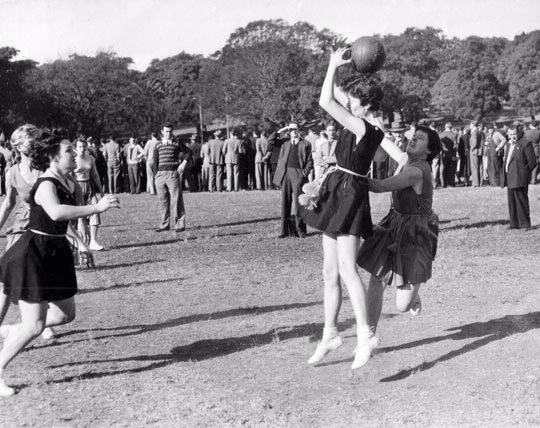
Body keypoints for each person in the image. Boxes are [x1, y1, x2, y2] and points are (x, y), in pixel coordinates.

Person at [299, 45, 403, 369]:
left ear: (365, 104)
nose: (349, 102)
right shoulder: (365, 123)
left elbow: (326, 100)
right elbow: (339, 95)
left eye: (354, 101)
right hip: (339, 191)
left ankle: (365, 334)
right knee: (329, 272)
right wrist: (341, 65)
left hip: (349, 195)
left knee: (347, 269)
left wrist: (331, 65)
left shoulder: (363, 128)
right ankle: (330, 333)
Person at [0, 129, 120, 396]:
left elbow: (62, 223)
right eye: (68, 150)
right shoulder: (46, 184)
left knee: (66, 314)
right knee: (35, 325)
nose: (75, 153)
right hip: (33, 254)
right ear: (54, 157)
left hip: (55, 251)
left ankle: (11, 331)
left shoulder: (67, 181)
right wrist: (97, 208)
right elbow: (56, 212)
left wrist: (79, 241)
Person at [357, 125, 442, 338]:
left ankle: (413, 294)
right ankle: (369, 333)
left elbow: (380, 186)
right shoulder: (406, 159)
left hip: (416, 233)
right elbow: (384, 142)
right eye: (413, 137)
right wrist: (371, 126)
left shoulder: (416, 171)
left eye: (419, 138)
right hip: (394, 223)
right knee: (377, 277)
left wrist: (350, 177)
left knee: (402, 306)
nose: (413, 140)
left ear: (428, 150)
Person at [271, 122, 313, 238]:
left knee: (299, 203)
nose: (294, 131)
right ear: (289, 131)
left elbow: (310, 161)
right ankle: (284, 231)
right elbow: (271, 140)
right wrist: (283, 129)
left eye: (296, 129)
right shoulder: (284, 143)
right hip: (285, 175)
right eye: (291, 129)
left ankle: (301, 231)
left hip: (298, 174)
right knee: (285, 202)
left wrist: (304, 173)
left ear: (299, 130)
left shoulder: (306, 144)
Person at [153, 124, 191, 232]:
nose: (168, 133)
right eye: (166, 131)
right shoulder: (157, 145)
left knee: (176, 200)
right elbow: (155, 161)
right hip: (160, 175)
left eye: (170, 131)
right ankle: (164, 224)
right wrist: (156, 175)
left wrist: (183, 164)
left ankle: (179, 224)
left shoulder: (176, 143)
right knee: (163, 201)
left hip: (172, 174)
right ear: (162, 131)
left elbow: (188, 152)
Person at [503, 124, 536, 229]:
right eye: (510, 134)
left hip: (520, 177)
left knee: (521, 201)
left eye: (514, 134)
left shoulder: (525, 144)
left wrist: (523, 172)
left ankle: (525, 224)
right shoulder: (508, 145)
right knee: (512, 202)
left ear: (519, 133)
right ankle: (514, 223)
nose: (512, 136)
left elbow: (532, 162)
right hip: (510, 176)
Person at [74, 138, 105, 251]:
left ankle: (93, 241)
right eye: (80, 147)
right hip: (76, 187)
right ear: (76, 148)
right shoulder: (73, 159)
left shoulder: (90, 158)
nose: (82, 149)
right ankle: (79, 243)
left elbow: (95, 175)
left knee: (95, 210)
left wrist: (101, 191)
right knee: (79, 216)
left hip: (89, 186)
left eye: (84, 146)